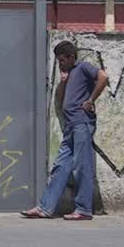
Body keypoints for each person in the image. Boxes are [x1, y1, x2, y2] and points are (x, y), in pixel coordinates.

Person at [22, 41, 109, 221]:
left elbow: (103, 77)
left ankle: (84, 209)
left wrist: (91, 100)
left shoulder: (83, 67)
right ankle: (45, 208)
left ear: (71, 57)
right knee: (60, 167)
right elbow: (61, 100)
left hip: (82, 124)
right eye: (58, 60)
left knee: (81, 167)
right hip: (70, 126)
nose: (60, 63)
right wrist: (63, 82)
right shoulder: (69, 74)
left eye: (62, 60)